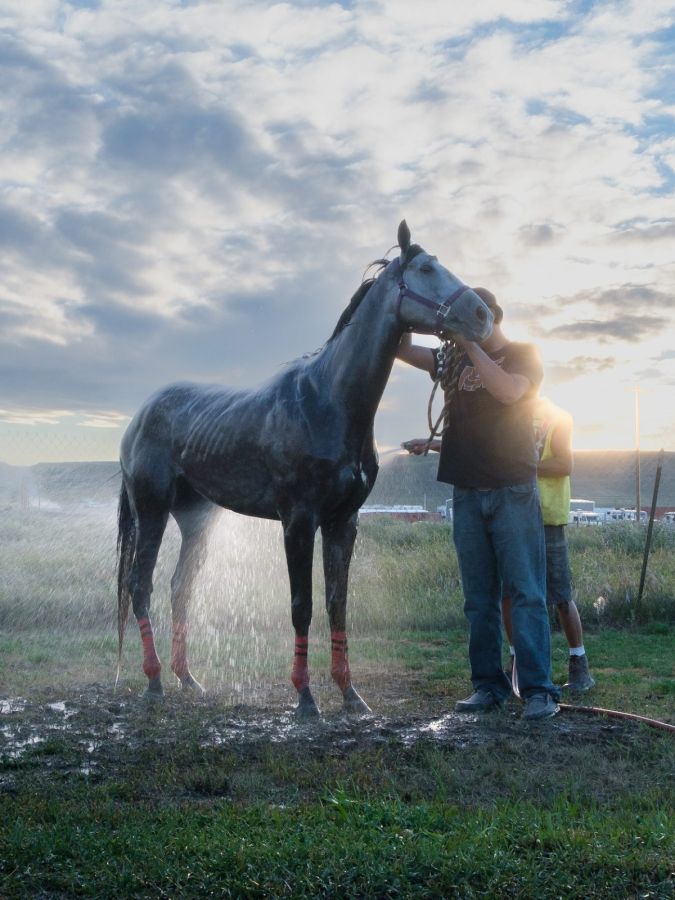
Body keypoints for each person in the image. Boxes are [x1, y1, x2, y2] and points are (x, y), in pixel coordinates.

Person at [398, 287, 560, 720]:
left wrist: (469, 342)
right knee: (478, 599)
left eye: (471, 319)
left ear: (491, 317)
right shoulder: (454, 361)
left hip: (511, 489)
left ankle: (539, 691)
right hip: (467, 491)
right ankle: (488, 687)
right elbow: (404, 350)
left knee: (525, 591)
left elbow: (509, 393)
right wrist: (413, 314)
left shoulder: (523, 354)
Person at [502, 397, 595, 692]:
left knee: (560, 594)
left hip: (548, 517)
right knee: (508, 592)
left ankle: (579, 665)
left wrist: (521, 466)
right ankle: (515, 662)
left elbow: (564, 463)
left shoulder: (559, 416)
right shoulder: (505, 415)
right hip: (513, 515)